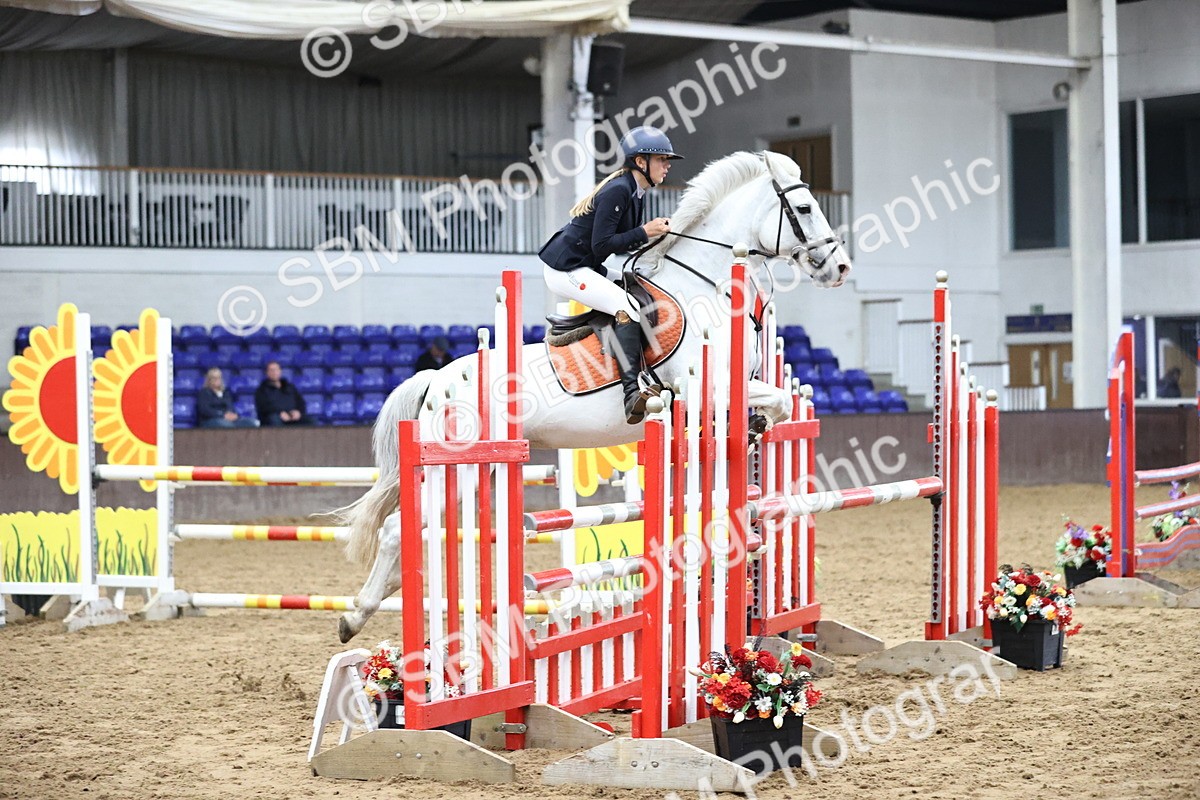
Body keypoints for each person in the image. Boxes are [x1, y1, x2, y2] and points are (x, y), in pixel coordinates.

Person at [538, 125, 681, 424]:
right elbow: (602, 244)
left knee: (640, 285)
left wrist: (655, 238)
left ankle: (643, 368)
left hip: (587, 264)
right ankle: (631, 393)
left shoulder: (636, 190)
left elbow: (623, 242)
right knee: (626, 305)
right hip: (566, 268)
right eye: (662, 160)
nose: (667, 165)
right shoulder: (619, 189)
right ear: (641, 162)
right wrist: (645, 231)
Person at [255, 361, 309, 426]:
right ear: (267, 373)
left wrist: (298, 412)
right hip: (275, 418)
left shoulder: (290, 387)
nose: (274, 372)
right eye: (271, 370)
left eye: (276, 370)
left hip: (293, 417)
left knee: (310, 421)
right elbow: (264, 408)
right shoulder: (261, 390)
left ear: (280, 371)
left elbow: (301, 403)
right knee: (274, 419)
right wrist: (279, 413)